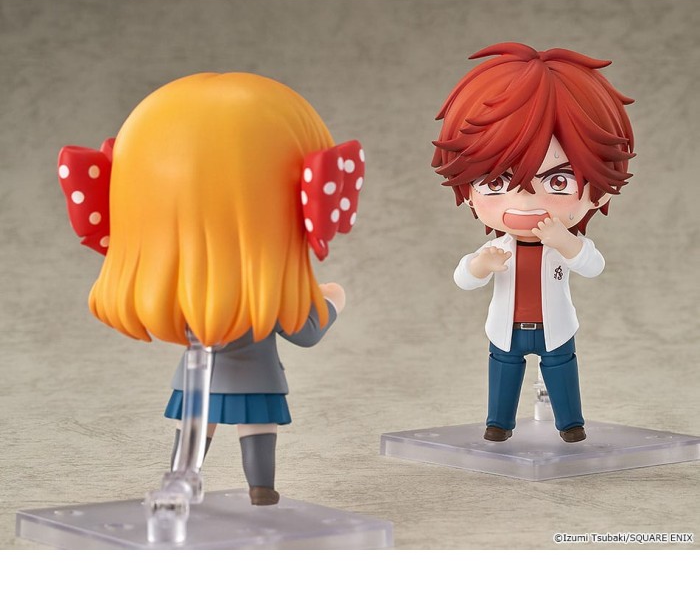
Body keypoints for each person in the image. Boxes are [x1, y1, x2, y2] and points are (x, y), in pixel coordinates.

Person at [59, 72, 363, 503]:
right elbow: (306, 332)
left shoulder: (178, 294)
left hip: (194, 378)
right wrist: (332, 301)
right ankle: (260, 490)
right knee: (256, 429)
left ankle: (183, 481)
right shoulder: (267, 295)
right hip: (258, 379)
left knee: (193, 430)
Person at [431, 42, 635, 442]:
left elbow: (593, 265)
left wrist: (565, 240)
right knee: (503, 371)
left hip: (555, 327)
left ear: (598, 192)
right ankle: (498, 423)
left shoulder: (561, 243)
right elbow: (463, 278)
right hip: (505, 328)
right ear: (467, 191)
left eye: (558, 181)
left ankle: (571, 424)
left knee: (561, 370)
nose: (524, 202)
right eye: (496, 182)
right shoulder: (499, 248)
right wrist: (481, 265)